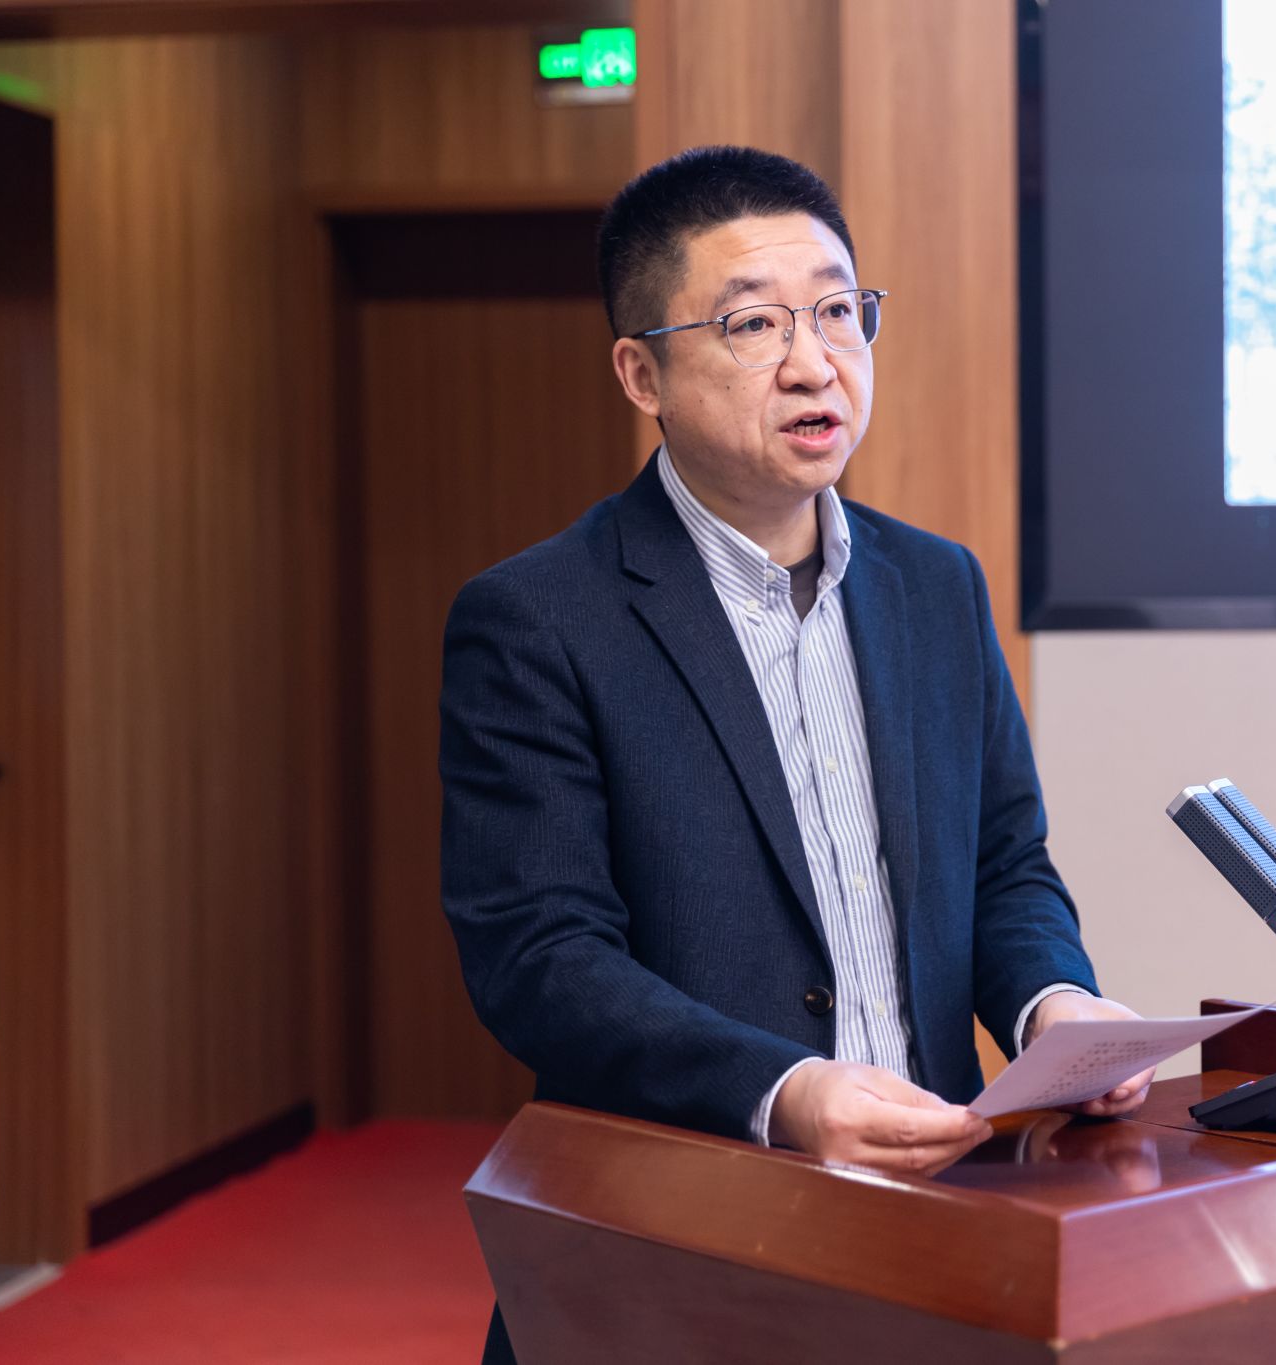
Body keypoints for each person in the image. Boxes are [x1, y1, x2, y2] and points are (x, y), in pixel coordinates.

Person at [439, 145, 1154, 1363]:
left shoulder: (934, 585)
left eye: (836, 311)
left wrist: (1054, 1004)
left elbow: (1001, 865)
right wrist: (782, 1091)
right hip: (677, 1251)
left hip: (935, 1222)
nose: (815, 363)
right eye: (753, 324)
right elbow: (539, 960)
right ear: (642, 372)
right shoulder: (538, 619)